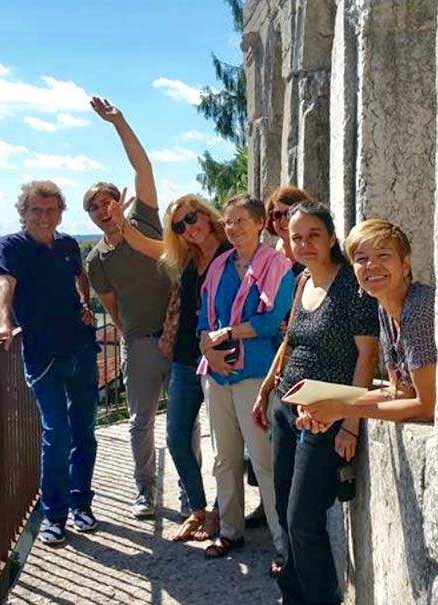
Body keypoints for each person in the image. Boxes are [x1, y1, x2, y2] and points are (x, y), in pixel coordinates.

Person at [252, 201, 379, 601]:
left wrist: (350, 423)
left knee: (303, 520)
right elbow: (291, 340)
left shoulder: (352, 288)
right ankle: (293, 595)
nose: (304, 243)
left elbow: (366, 355)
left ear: (332, 238)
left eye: (314, 235)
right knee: (286, 519)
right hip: (287, 409)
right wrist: (267, 388)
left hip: (326, 416)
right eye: (296, 237)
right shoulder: (302, 279)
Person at [108, 193, 231, 540]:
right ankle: (197, 507)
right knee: (176, 438)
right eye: (179, 225)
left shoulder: (232, 252)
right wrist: (121, 223)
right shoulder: (187, 258)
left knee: (225, 445)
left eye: (192, 218)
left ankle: (221, 512)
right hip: (185, 358)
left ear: (206, 215)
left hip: (224, 359)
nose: (188, 228)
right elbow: (146, 245)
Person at [0, 180, 100, 545]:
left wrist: (85, 305)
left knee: (84, 430)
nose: (44, 217)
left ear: (60, 213)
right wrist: (4, 325)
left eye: (51, 210)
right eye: (36, 210)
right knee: (57, 433)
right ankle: (55, 514)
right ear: (22, 212)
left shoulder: (68, 245)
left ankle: (82, 503)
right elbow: (4, 286)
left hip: (81, 350)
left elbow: (80, 278)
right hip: (43, 357)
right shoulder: (11, 246)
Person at [84, 96, 173, 518]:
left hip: (182, 333)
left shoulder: (145, 222)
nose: (104, 211)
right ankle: (145, 489)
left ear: (119, 201)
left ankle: (191, 493)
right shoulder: (96, 260)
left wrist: (119, 122)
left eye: (107, 202)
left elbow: (143, 168)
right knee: (141, 420)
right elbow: (112, 308)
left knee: (185, 417)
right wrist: (134, 336)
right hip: (140, 342)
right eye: (95, 208)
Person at [197, 193, 293, 561]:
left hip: (255, 372)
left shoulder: (277, 265)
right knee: (225, 457)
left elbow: (272, 321)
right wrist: (209, 349)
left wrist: (229, 335)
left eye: (240, 220)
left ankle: (283, 545)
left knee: (264, 458)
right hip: (217, 374)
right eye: (228, 221)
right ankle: (230, 532)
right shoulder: (219, 266)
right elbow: (204, 318)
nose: (232, 227)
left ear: (258, 224)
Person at [300, 219, 436, 428]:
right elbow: (399, 391)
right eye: (361, 259)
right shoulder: (385, 309)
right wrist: (325, 407)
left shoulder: (418, 309)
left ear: (405, 264)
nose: (371, 266)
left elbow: (428, 406)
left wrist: (344, 410)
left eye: (383, 255)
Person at [265, 186, 312, 275]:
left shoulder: (314, 253)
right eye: (277, 215)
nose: (283, 220)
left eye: (289, 213)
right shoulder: (267, 257)